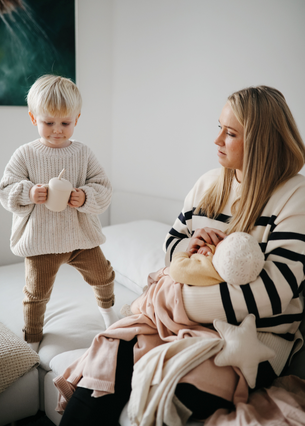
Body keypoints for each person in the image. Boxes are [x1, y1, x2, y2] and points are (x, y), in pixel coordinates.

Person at [57, 86, 305, 425]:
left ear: (261, 142)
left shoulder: (295, 198)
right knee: (102, 376)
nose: (217, 140)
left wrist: (175, 302)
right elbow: (172, 251)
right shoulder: (208, 185)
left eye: (230, 133)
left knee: (162, 400)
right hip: (173, 324)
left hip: (248, 340)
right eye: (218, 127)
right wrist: (190, 249)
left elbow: (273, 295)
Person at [0, 75, 118, 352]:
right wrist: (28, 193)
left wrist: (84, 195)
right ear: (33, 118)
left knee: (104, 275)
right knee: (36, 294)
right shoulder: (25, 154)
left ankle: (110, 317)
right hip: (42, 243)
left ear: (76, 119)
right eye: (48, 122)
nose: (57, 130)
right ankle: (32, 338)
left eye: (65, 123)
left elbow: (103, 186)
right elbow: (5, 189)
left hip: (80, 238)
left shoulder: (83, 153)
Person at [169, 231, 265, 287]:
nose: (222, 240)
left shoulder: (208, 267)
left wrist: (187, 253)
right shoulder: (230, 274)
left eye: (224, 241)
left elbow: (176, 269)